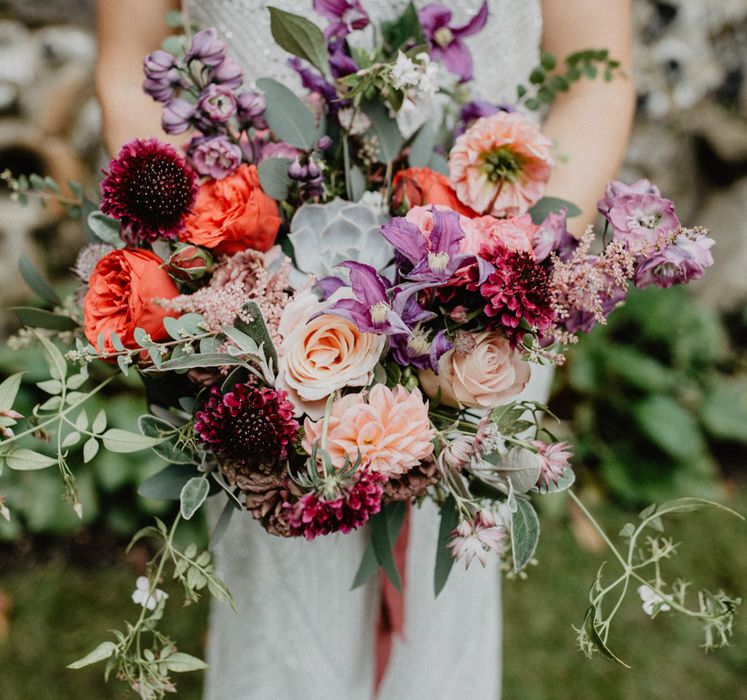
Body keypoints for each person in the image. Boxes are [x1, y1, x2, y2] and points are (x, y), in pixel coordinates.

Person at [95, 1, 634, 698]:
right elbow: (127, 65)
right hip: (257, 311)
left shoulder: (487, 305)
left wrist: (502, 277)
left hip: (478, 317)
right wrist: (210, 279)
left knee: (449, 600)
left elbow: (599, 77)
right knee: (282, 596)